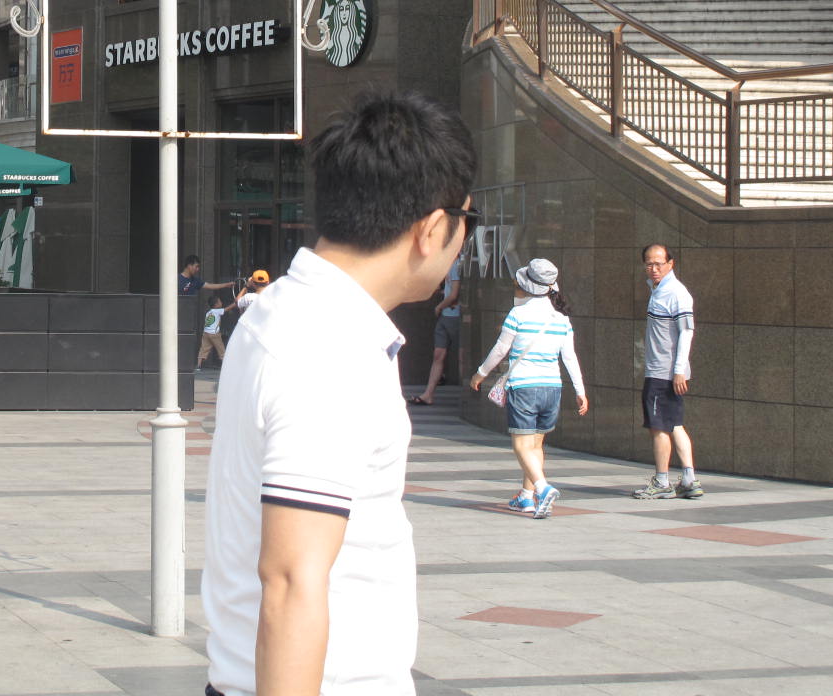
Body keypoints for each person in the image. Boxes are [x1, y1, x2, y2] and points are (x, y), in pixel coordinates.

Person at [203, 89, 476, 696]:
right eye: (467, 221)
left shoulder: (283, 309)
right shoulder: (328, 348)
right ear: (433, 229)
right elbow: (291, 582)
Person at [469, 258, 588, 518]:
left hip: (524, 386)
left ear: (527, 286)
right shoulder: (562, 319)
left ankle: (543, 489)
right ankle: (526, 497)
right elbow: (570, 357)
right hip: (552, 387)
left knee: (521, 446)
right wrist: (580, 390)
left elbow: (500, 349)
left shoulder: (518, 314)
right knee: (535, 446)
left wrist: (480, 374)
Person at [634, 243, 703, 499]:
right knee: (675, 424)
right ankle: (689, 479)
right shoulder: (658, 288)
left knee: (659, 427)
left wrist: (678, 370)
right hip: (664, 370)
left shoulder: (676, 293)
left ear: (670, 264)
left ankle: (662, 481)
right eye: (649, 264)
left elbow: (687, 332)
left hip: (662, 372)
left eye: (659, 264)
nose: (653, 269)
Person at [408, 254, 463, 406]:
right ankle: (428, 394)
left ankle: (467, 396)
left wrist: (439, 306)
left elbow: (454, 294)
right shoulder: (449, 265)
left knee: (460, 356)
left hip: (453, 315)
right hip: (446, 315)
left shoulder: (456, 265)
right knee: (438, 354)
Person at [197, 293, 230, 370]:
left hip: (206, 333)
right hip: (214, 334)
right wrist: (235, 303)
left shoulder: (208, 312)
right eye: (220, 301)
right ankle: (225, 367)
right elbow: (227, 309)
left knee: (203, 349)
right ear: (216, 305)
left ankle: (198, 366)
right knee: (221, 349)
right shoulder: (217, 311)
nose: (221, 303)